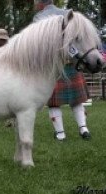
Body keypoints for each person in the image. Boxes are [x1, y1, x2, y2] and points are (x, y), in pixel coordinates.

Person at [33, 0, 91, 141]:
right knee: (76, 101)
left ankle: (60, 134)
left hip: (53, 66)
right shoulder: (67, 14)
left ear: (40, 4)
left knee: (54, 102)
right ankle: (83, 128)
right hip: (71, 62)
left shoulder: (38, 18)